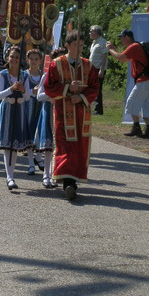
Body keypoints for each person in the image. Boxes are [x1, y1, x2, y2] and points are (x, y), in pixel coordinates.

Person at [43, 31, 100, 200]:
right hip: (63, 112)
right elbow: (48, 87)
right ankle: (68, 183)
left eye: (82, 46)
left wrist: (81, 97)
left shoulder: (88, 65)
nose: (79, 49)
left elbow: (94, 88)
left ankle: (73, 180)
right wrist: (68, 89)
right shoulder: (56, 65)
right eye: (75, 45)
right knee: (65, 146)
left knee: (79, 147)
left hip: (82, 112)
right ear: (68, 46)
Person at [107, 29, 149, 140]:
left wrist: (111, 49)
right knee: (145, 105)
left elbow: (121, 58)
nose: (121, 40)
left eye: (121, 37)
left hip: (144, 80)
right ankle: (148, 130)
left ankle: (136, 127)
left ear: (127, 37)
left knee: (131, 102)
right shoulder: (137, 46)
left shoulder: (134, 46)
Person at [0, 46, 33, 190]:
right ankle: (9, 177)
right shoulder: (3, 75)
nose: (14, 60)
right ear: (7, 58)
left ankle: (11, 175)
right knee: (8, 144)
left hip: (20, 109)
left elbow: (28, 96)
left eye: (17, 57)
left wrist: (23, 90)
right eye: (12, 57)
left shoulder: (24, 75)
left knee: (16, 144)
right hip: (7, 108)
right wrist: (10, 89)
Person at [34, 47, 65, 188]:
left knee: (60, 146)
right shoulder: (46, 76)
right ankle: (46, 175)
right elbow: (39, 96)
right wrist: (51, 95)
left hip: (63, 112)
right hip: (48, 111)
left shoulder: (67, 77)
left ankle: (57, 174)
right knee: (48, 146)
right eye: (57, 59)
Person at [24, 49, 45, 175]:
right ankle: (31, 163)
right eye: (31, 59)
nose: (33, 61)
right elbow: (22, 92)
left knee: (39, 132)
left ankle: (38, 156)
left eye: (36, 59)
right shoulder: (25, 75)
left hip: (40, 106)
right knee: (30, 133)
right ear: (28, 60)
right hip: (28, 106)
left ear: (40, 61)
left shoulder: (43, 75)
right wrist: (32, 91)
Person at [88, 25, 108, 115]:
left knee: (98, 88)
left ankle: (98, 109)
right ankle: (95, 107)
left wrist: (101, 70)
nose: (89, 33)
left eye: (91, 31)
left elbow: (104, 57)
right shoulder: (94, 42)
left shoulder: (103, 42)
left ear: (95, 33)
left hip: (98, 69)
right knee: (93, 87)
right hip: (92, 69)